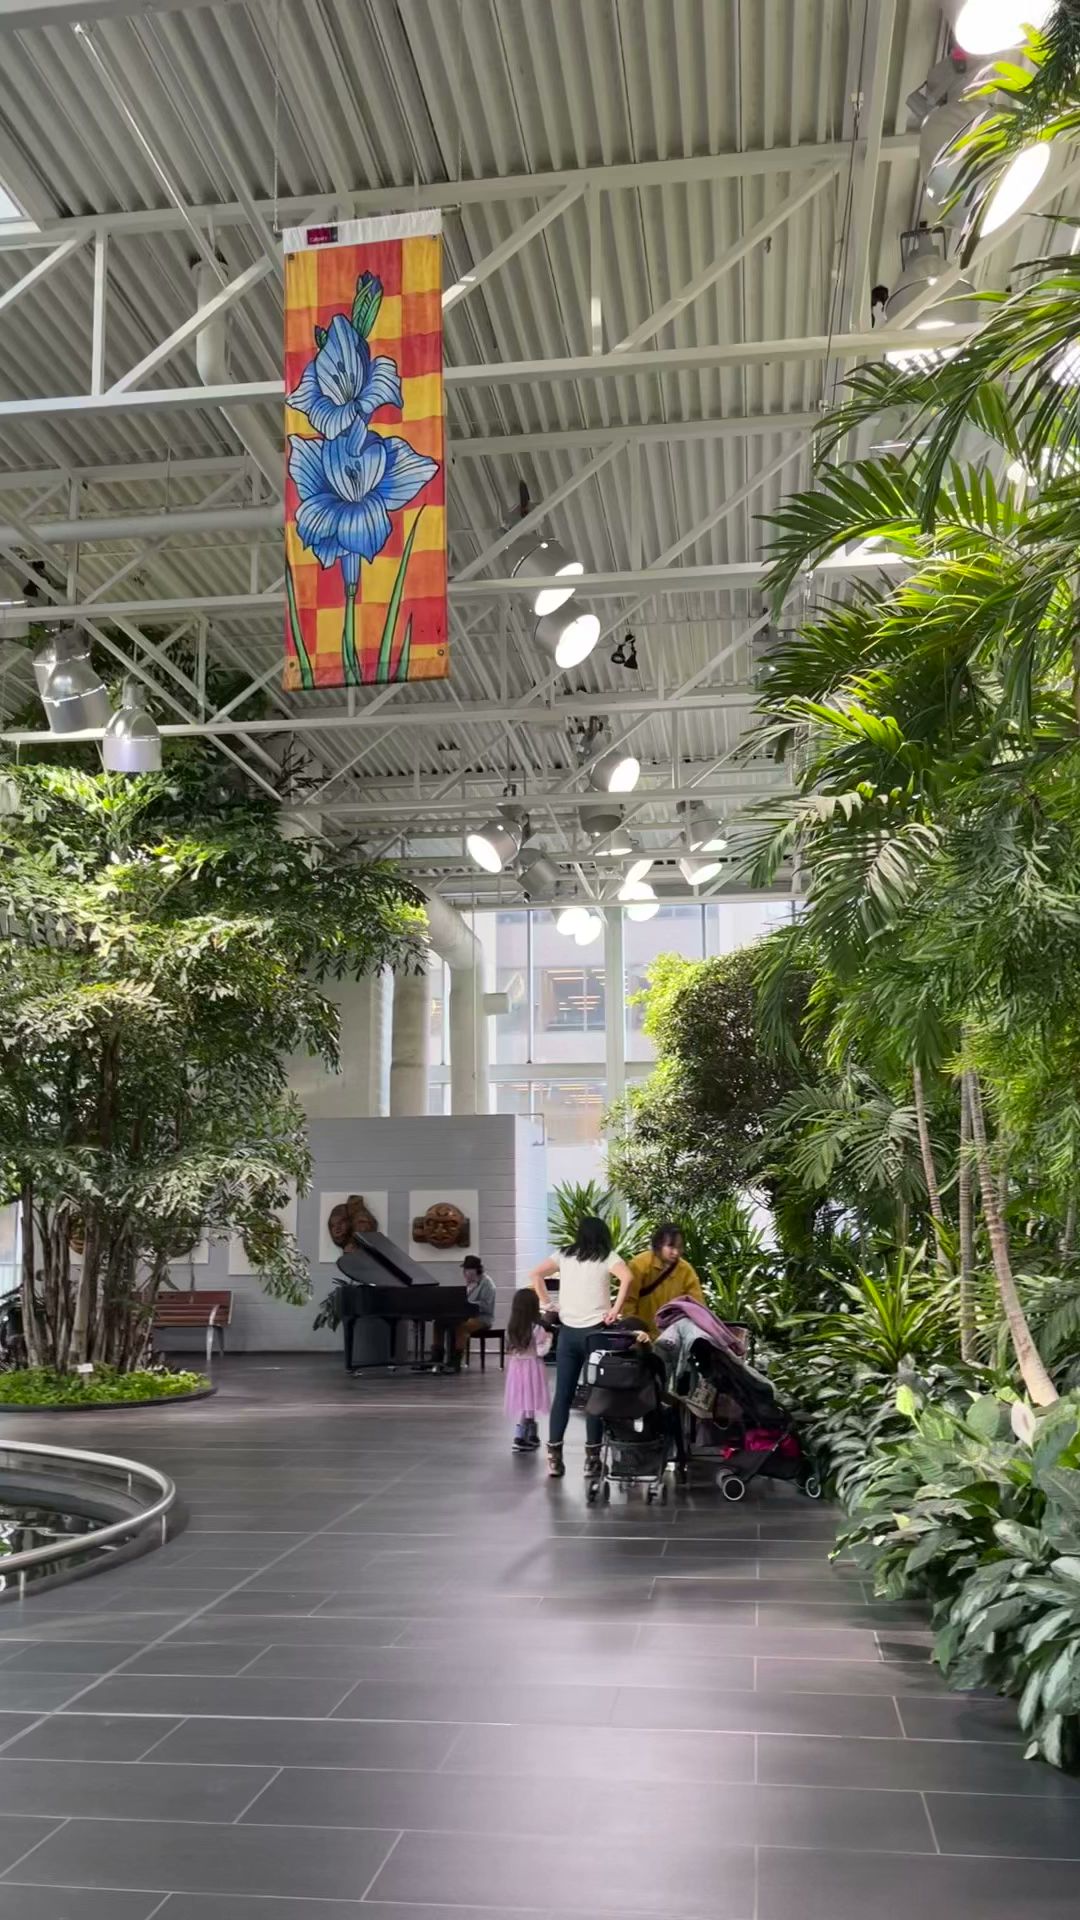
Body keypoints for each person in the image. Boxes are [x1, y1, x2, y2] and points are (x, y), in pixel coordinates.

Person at [530, 1215, 633, 1478]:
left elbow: (536, 1274)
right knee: (594, 1395)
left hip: (568, 1333)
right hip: (595, 1334)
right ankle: (592, 1459)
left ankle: (554, 1457)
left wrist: (547, 1304)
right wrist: (615, 1310)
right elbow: (627, 1277)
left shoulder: (564, 1255)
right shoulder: (606, 1256)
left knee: (562, 1396)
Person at [623, 1222, 706, 1340]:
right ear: (659, 1245)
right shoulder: (639, 1265)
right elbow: (628, 1301)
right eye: (671, 1247)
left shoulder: (686, 1270)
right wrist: (633, 1331)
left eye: (679, 1247)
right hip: (642, 1337)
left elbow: (697, 1305)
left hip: (674, 1338)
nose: (676, 1252)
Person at [504, 1287, 551, 1453]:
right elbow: (541, 1351)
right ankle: (520, 1437)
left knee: (525, 1401)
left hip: (516, 1369)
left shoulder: (511, 1328)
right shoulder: (537, 1329)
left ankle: (532, 1435)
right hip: (532, 1368)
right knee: (530, 1401)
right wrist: (549, 1339)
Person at [430, 1254, 495, 1372]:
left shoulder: (487, 1284)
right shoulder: (470, 1283)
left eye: (467, 1270)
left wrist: (469, 1305)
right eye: (465, 1270)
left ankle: (455, 1361)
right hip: (466, 1316)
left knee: (461, 1327)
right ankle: (436, 1357)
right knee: (439, 1323)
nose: (465, 1273)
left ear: (475, 1270)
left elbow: (486, 1306)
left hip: (482, 1318)